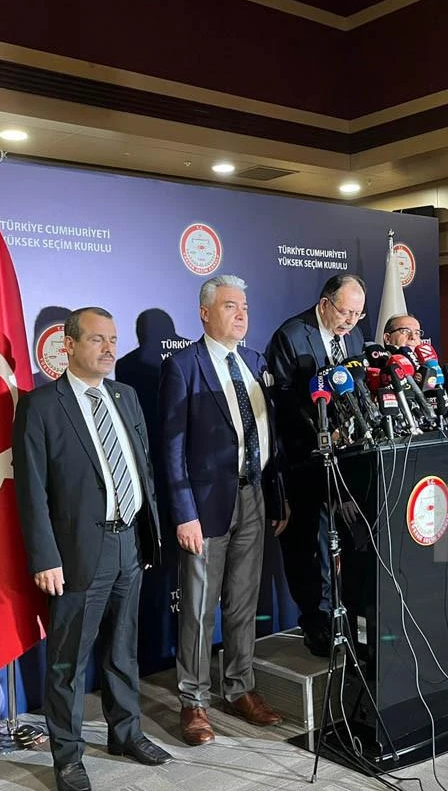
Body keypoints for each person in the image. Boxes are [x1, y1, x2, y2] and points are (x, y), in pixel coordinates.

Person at [13, 307, 170, 791]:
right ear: (69, 345)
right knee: (68, 663)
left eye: (113, 340)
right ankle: (67, 757)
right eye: (98, 340)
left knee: (123, 650)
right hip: (78, 553)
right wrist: (45, 557)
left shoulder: (126, 395)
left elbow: (142, 468)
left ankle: (126, 733)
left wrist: (147, 533)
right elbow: (32, 491)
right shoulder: (41, 406)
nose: (108, 349)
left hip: (129, 544)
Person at [159, 276, 285, 747]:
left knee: (243, 601)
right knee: (197, 607)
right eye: (230, 306)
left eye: (244, 306)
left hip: (253, 496)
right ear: (205, 312)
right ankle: (194, 701)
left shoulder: (255, 362)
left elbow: (270, 437)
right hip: (205, 506)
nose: (241, 314)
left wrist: (277, 497)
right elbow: (171, 449)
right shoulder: (183, 366)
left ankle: (239, 688)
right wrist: (183, 513)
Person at [266, 273, 367, 656]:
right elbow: (283, 404)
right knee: (307, 546)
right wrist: (322, 434)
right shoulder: (291, 336)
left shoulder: (354, 338)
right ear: (325, 304)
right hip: (303, 460)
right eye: (345, 312)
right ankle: (315, 621)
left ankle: (346, 616)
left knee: (344, 543)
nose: (350, 322)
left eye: (358, 315)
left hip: (347, 461)